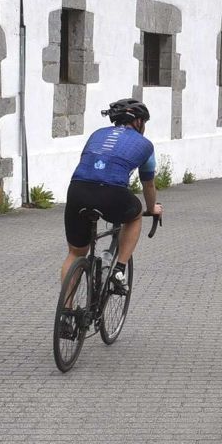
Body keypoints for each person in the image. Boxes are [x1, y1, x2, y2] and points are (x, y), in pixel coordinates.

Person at [61, 99, 159, 324]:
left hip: (77, 189)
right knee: (134, 216)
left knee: (76, 253)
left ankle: (65, 314)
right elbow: (148, 184)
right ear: (138, 122)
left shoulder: (97, 134)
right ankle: (119, 269)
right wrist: (152, 208)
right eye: (144, 122)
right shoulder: (145, 145)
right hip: (112, 192)